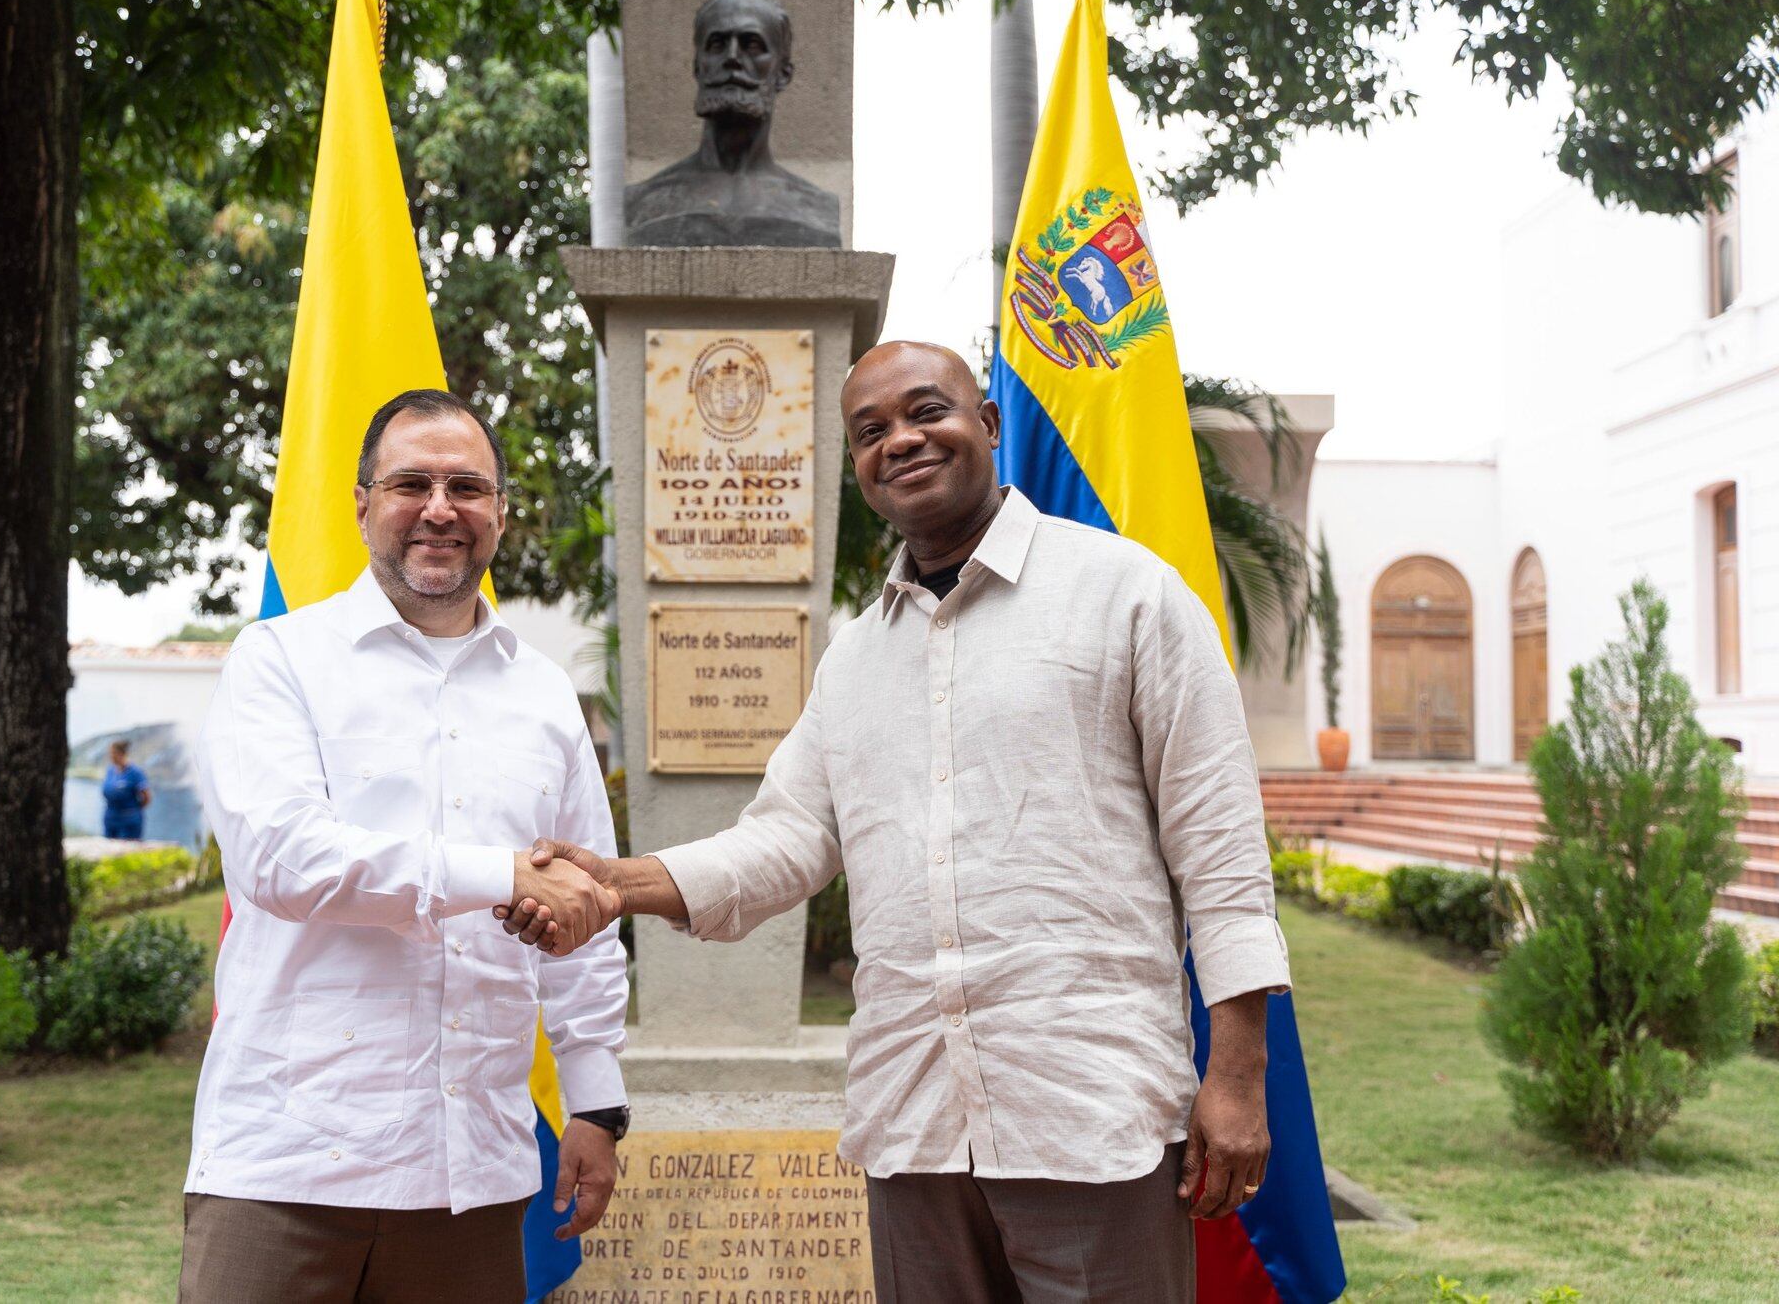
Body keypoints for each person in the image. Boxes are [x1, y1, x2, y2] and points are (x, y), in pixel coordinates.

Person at [505, 342, 1291, 1303]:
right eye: (871, 432)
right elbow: (785, 839)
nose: (902, 440)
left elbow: (1222, 851)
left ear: (989, 425)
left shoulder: (1128, 594)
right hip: (916, 1121)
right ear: (858, 469)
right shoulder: (855, 660)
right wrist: (614, 883)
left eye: (928, 412)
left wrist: (1238, 1073)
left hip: (1089, 1114)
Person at [179, 389, 628, 1304]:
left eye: (467, 486)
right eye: (410, 482)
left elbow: (587, 907)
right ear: (360, 503)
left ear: (500, 512)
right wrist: (495, 872)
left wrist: (596, 1101)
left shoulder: (545, 696)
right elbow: (280, 857)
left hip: (471, 1171)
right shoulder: (278, 660)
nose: (439, 508)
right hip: (289, 1161)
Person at [623, 0, 843, 248]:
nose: (732, 58)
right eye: (717, 44)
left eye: (752, 45)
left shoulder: (815, 207)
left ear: (783, 74)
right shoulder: (647, 199)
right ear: (698, 67)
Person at [100, 738, 151, 840]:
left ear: (121, 753)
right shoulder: (110, 771)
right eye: (110, 753)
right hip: (111, 817)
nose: (111, 756)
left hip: (129, 819)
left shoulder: (135, 772)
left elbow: (146, 797)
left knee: (128, 849)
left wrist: (134, 810)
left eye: (113, 753)